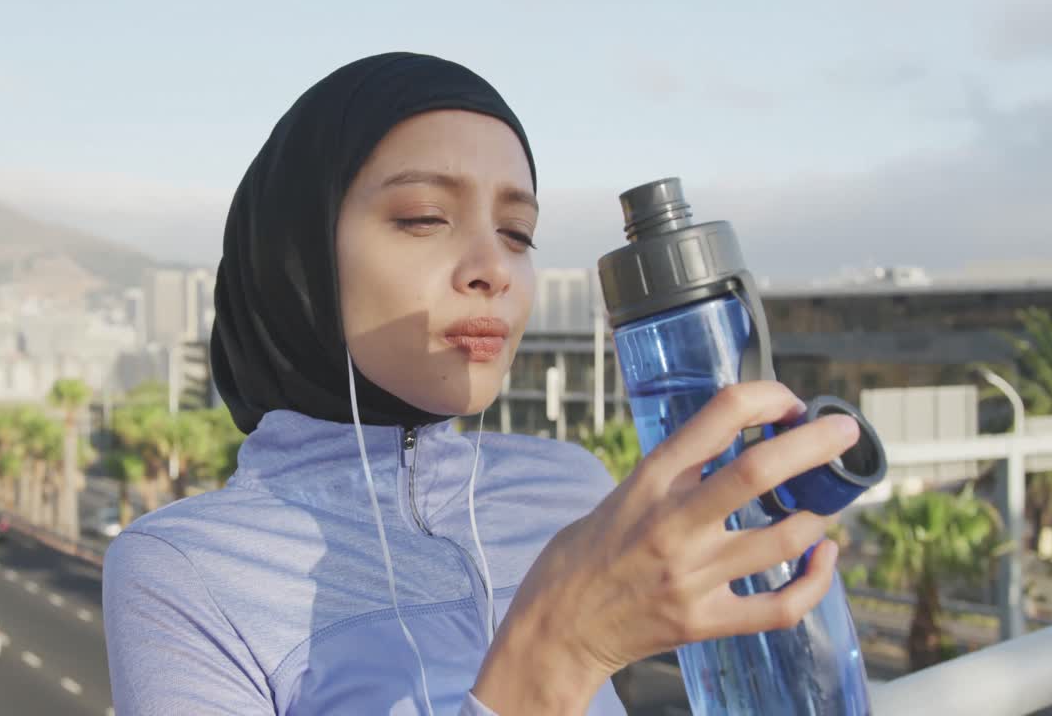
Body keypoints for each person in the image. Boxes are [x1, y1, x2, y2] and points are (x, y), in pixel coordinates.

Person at [102, 52, 856, 715]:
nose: (493, 268)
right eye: (425, 217)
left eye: (517, 233)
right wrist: (558, 648)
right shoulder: (186, 570)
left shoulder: (567, 489)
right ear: (294, 253)